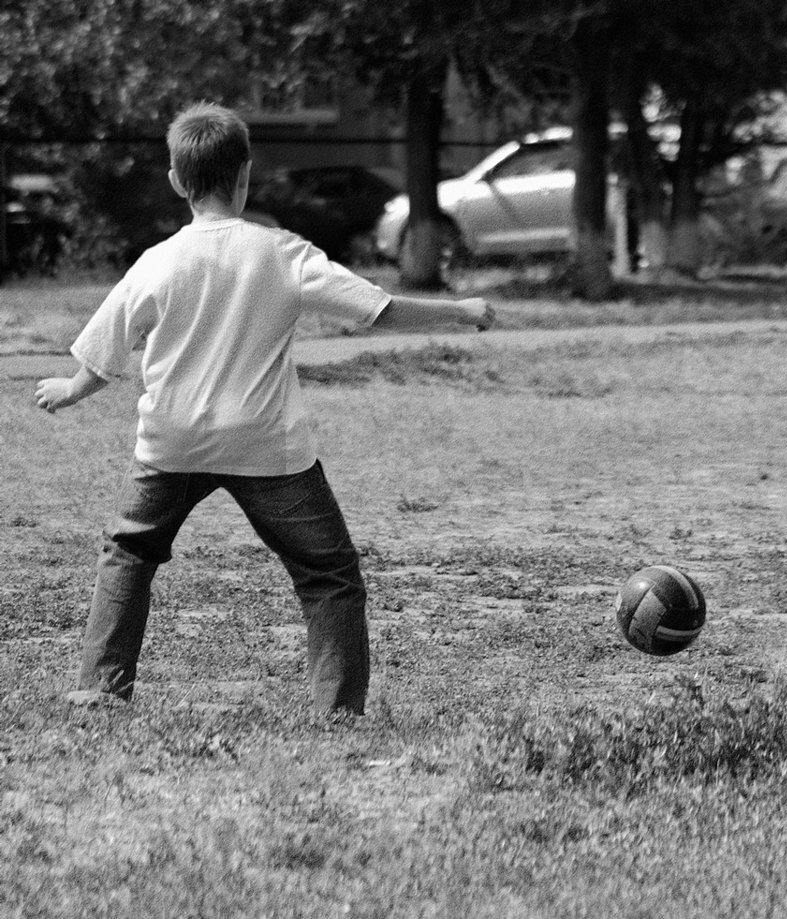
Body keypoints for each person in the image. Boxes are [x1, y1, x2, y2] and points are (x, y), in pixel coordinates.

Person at [33, 102, 496, 714]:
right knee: (329, 574)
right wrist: (460, 312)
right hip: (265, 446)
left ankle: (101, 690)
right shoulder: (282, 254)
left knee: (129, 551)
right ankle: (335, 712)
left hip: (171, 443)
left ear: (177, 181)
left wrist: (70, 387)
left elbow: (107, 344)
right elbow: (376, 308)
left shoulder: (159, 260)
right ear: (246, 174)